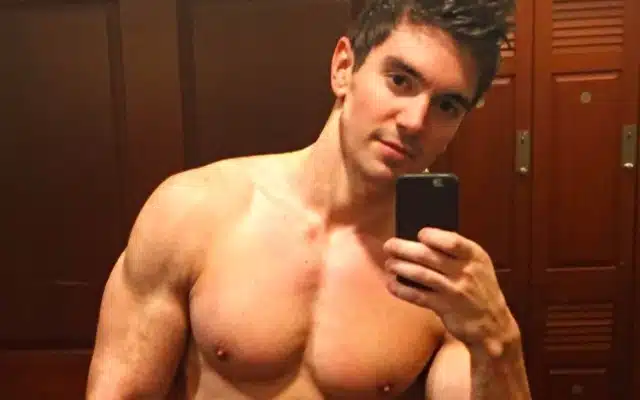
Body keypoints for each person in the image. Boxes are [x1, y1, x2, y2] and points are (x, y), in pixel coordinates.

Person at [87, 0, 532, 398]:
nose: (416, 121)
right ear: (344, 68)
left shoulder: (440, 279)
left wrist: (498, 340)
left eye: (448, 106)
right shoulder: (192, 211)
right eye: (400, 80)